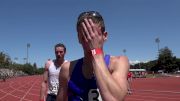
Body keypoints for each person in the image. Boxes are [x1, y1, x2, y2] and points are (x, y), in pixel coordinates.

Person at [56, 11, 130, 101]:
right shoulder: (67, 69)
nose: (89, 40)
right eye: (85, 35)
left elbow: (115, 99)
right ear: (79, 38)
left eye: (93, 35)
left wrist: (96, 52)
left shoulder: (119, 62)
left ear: (104, 36)